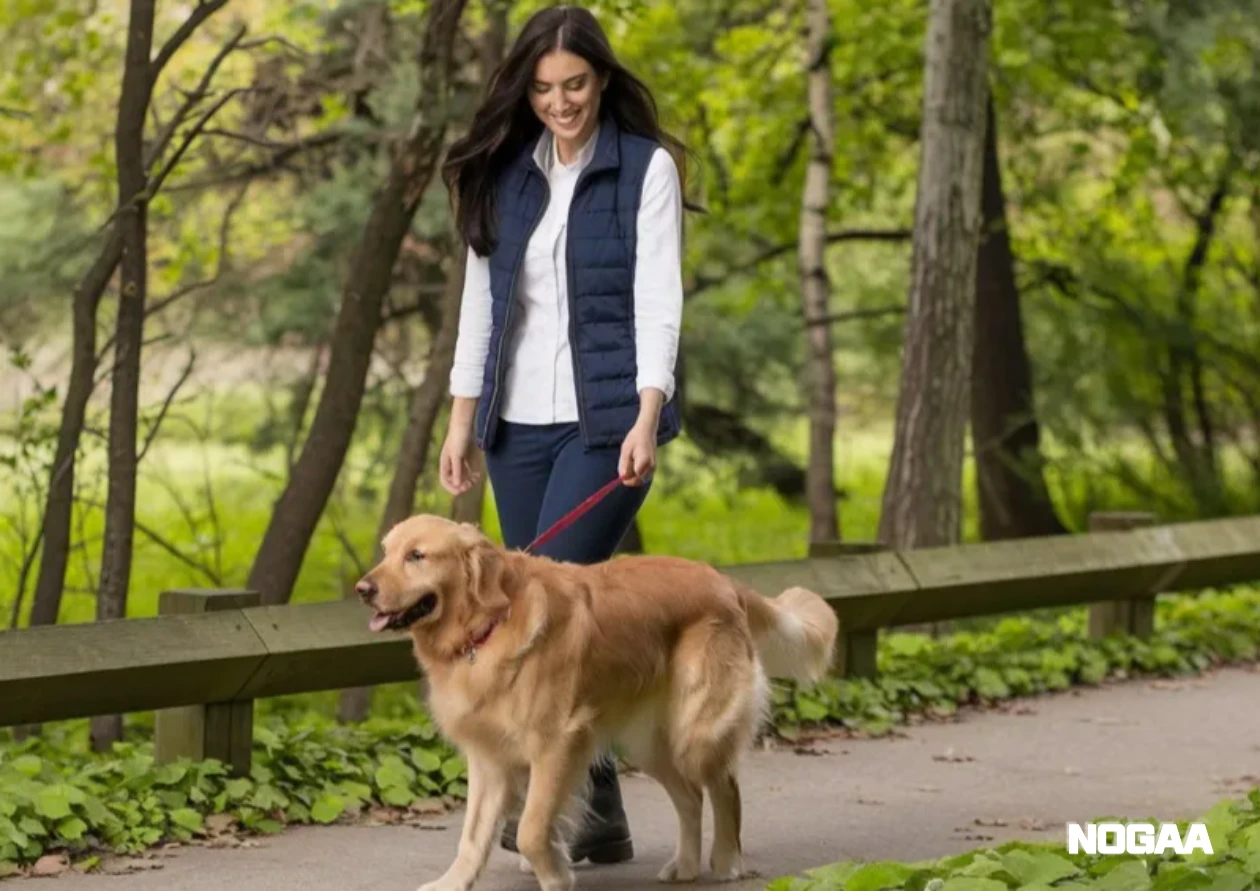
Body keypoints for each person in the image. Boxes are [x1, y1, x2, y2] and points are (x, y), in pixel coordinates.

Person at [436, 3, 692, 867]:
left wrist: (649, 414)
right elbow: (482, 305)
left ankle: (547, 811)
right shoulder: (507, 175)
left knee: (553, 600)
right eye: (544, 88)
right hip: (515, 426)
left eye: (575, 84)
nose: (561, 102)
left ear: (603, 80)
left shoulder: (644, 170)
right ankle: (598, 810)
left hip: (607, 424)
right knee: (543, 616)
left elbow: (661, 298)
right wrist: (463, 422)